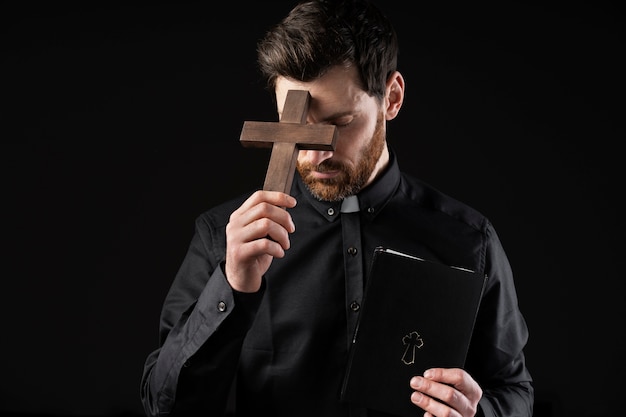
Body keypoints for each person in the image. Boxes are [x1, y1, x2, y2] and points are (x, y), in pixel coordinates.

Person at [140, 0, 534, 416]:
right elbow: (164, 406)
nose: (313, 156)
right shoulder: (223, 237)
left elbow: (514, 391)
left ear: (392, 98)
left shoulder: (470, 241)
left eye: (340, 123)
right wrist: (231, 286)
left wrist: (479, 413)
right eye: (293, 126)